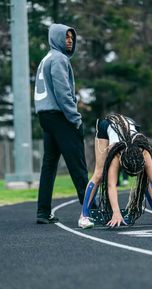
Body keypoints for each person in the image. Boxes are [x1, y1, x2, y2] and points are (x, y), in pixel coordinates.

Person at [79, 114, 152, 228]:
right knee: (99, 174)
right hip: (108, 125)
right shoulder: (116, 154)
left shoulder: (144, 152)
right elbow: (111, 185)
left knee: (145, 178)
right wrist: (116, 213)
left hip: (131, 124)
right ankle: (83, 216)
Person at [34, 23, 89, 224]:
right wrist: (75, 118)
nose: (69, 41)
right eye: (66, 37)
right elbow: (62, 92)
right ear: (56, 38)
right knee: (78, 165)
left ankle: (43, 211)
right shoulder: (58, 59)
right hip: (60, 117)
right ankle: (92, 210)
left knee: (48, 166)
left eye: (71, 38)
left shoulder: (46, 58)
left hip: (45, 116)